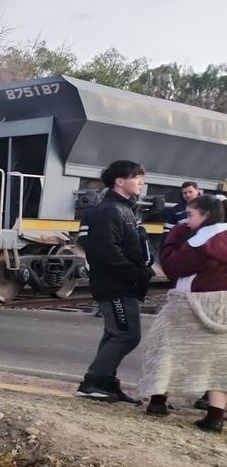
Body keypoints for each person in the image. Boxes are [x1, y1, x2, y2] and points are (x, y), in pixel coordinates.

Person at [141, 195, 227, 432]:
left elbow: (173, 267)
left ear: (206, 215)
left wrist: (173, 238)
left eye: (191, 215)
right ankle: (216, 416)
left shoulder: (202, 242)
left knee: (167, 350)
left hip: (189, 305)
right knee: (220, 360)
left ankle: (158, 402)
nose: (187, 220)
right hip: (224, 306)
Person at [75, 160, 153, 403]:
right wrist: (137, 273)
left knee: (114, 333)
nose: (141, 181)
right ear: (120, 181)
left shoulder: (122, 209)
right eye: (136, 177)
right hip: (116, 285)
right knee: (127, 335)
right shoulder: (110, 211)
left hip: (119, 284)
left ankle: (106, 383)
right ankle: (93, 382)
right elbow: (106, 253)